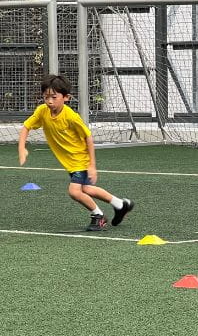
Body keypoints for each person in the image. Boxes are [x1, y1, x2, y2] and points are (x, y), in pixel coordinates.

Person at [18, 74, 134, 231]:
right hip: (70, 163)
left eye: (54, 97)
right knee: (87, 189)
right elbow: (26, 127)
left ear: (66, 97)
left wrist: (92, 165)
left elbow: (88, 137)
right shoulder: (42, 111)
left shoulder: (71, 117)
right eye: (46, 97)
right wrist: (22, 148)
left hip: (80, 160)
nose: (50, 101)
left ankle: (98, 216)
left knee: (74, 192)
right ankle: (121, 205)